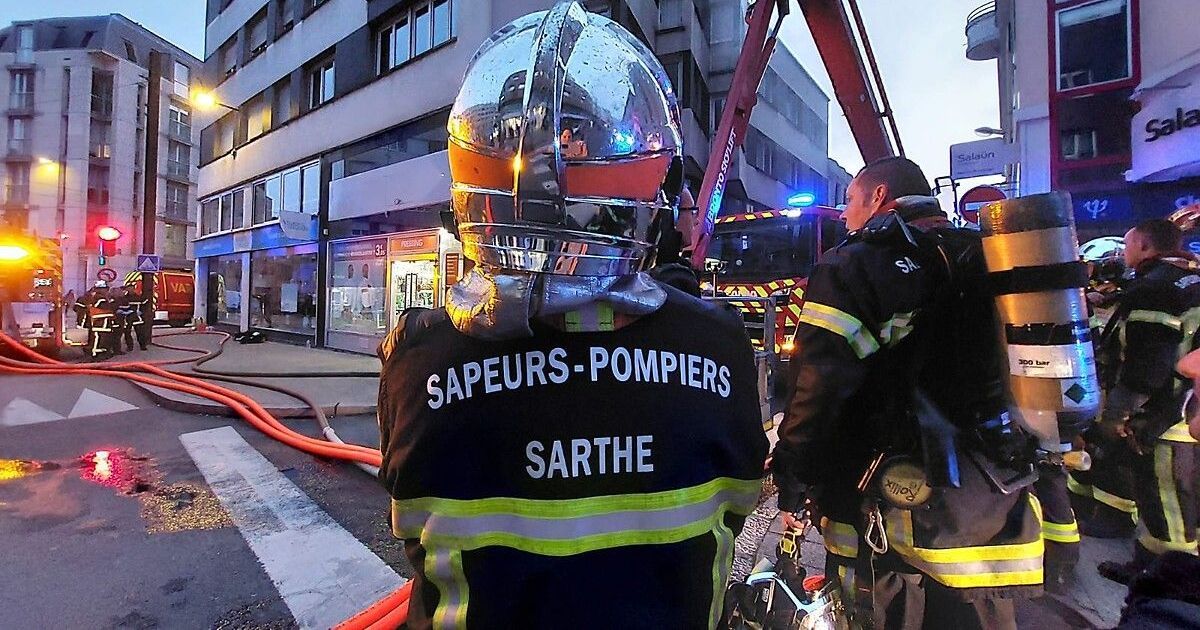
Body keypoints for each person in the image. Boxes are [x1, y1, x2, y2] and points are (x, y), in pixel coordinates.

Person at [376, 4, 767, 627]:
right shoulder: (718, 346)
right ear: (652, 190)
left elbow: (412, 526)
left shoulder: (418, 359)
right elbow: (740, 501)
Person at [772, 156, 1043, 629]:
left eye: (851, 200)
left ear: (879, 196)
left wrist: (793, 478)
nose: (845, 213)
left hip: (888, 510)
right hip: (993, 501)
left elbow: (820, 385)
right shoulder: (989, 255)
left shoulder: (856, 264)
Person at [1095, 219, 1200, 584]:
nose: (1124, 253)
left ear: (1143, 245)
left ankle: (1163, 579)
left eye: (1127, 245)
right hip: (1190, 408)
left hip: (1166, 415)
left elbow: (1148, 363)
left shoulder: (1153, 289)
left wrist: (1120, 413)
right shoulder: (1190, 280)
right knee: (1188, 499)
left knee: (1165, 502)